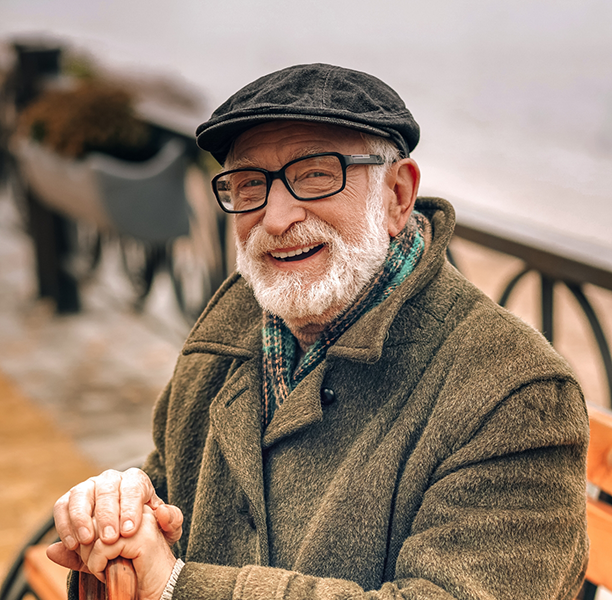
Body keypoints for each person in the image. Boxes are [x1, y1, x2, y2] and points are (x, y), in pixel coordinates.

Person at [48, 63, 589, 600]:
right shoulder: (230, 333)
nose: (277, 217)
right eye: (250, 184)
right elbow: (164, 493)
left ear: (397, 195)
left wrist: (178, 587)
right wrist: (112, 520)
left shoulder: (517, 394)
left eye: (314, 174)